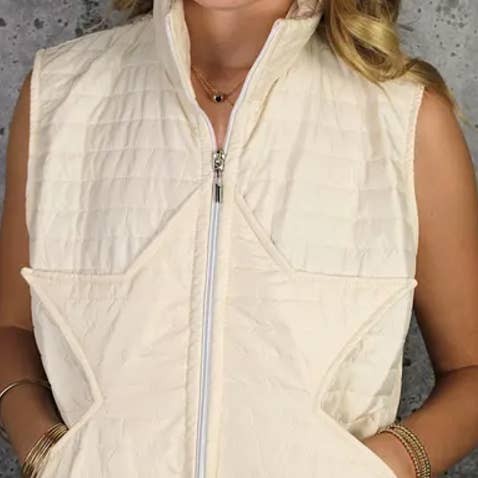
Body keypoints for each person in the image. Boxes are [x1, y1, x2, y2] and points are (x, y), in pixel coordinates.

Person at [1, 0, 477, 477]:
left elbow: (470, 371)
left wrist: (384, 466)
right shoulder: (59, 95)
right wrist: (44, 450)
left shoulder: (406, 119)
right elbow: (12, 329)